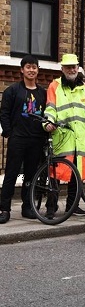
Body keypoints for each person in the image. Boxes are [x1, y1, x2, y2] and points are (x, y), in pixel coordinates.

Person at [43, 53, 85, 217]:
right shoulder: (55, 86)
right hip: (63, 136)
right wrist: (48, 122)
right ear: (62, 69)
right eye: (68, 67)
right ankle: (51, 207)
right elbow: (50, 107)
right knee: (55, 173)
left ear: (78, 68)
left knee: (77, 174)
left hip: (81, 138)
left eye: (73, 67)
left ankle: (72, 207)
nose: (71, 70)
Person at [0, 55, 48, 223]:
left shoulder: (43, 93)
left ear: (38, 70)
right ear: (22, 70)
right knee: (11, 174)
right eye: (28, 67)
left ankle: (27, 207)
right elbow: (4, 113)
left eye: (34, 67)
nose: (31, 70)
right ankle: (4, 208)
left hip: (36, 140)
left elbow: (47, 115)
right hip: (18, 138)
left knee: (31, 175)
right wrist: (8, 132)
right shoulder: (12, 91)